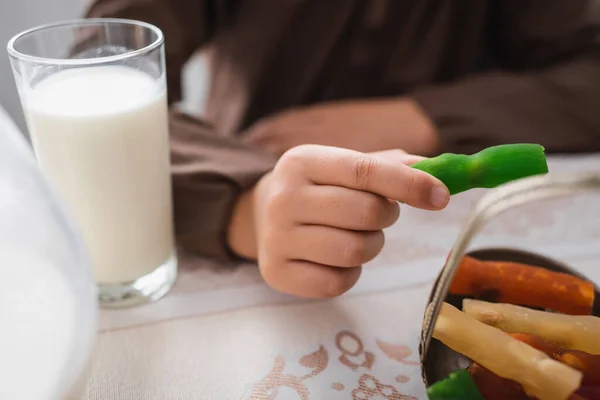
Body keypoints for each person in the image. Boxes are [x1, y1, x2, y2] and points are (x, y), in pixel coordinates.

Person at [85, 0, 600, 298]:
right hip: (234, 190)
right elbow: (99, 76)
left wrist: (418, 117)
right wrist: (247, 202)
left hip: (442, 223)